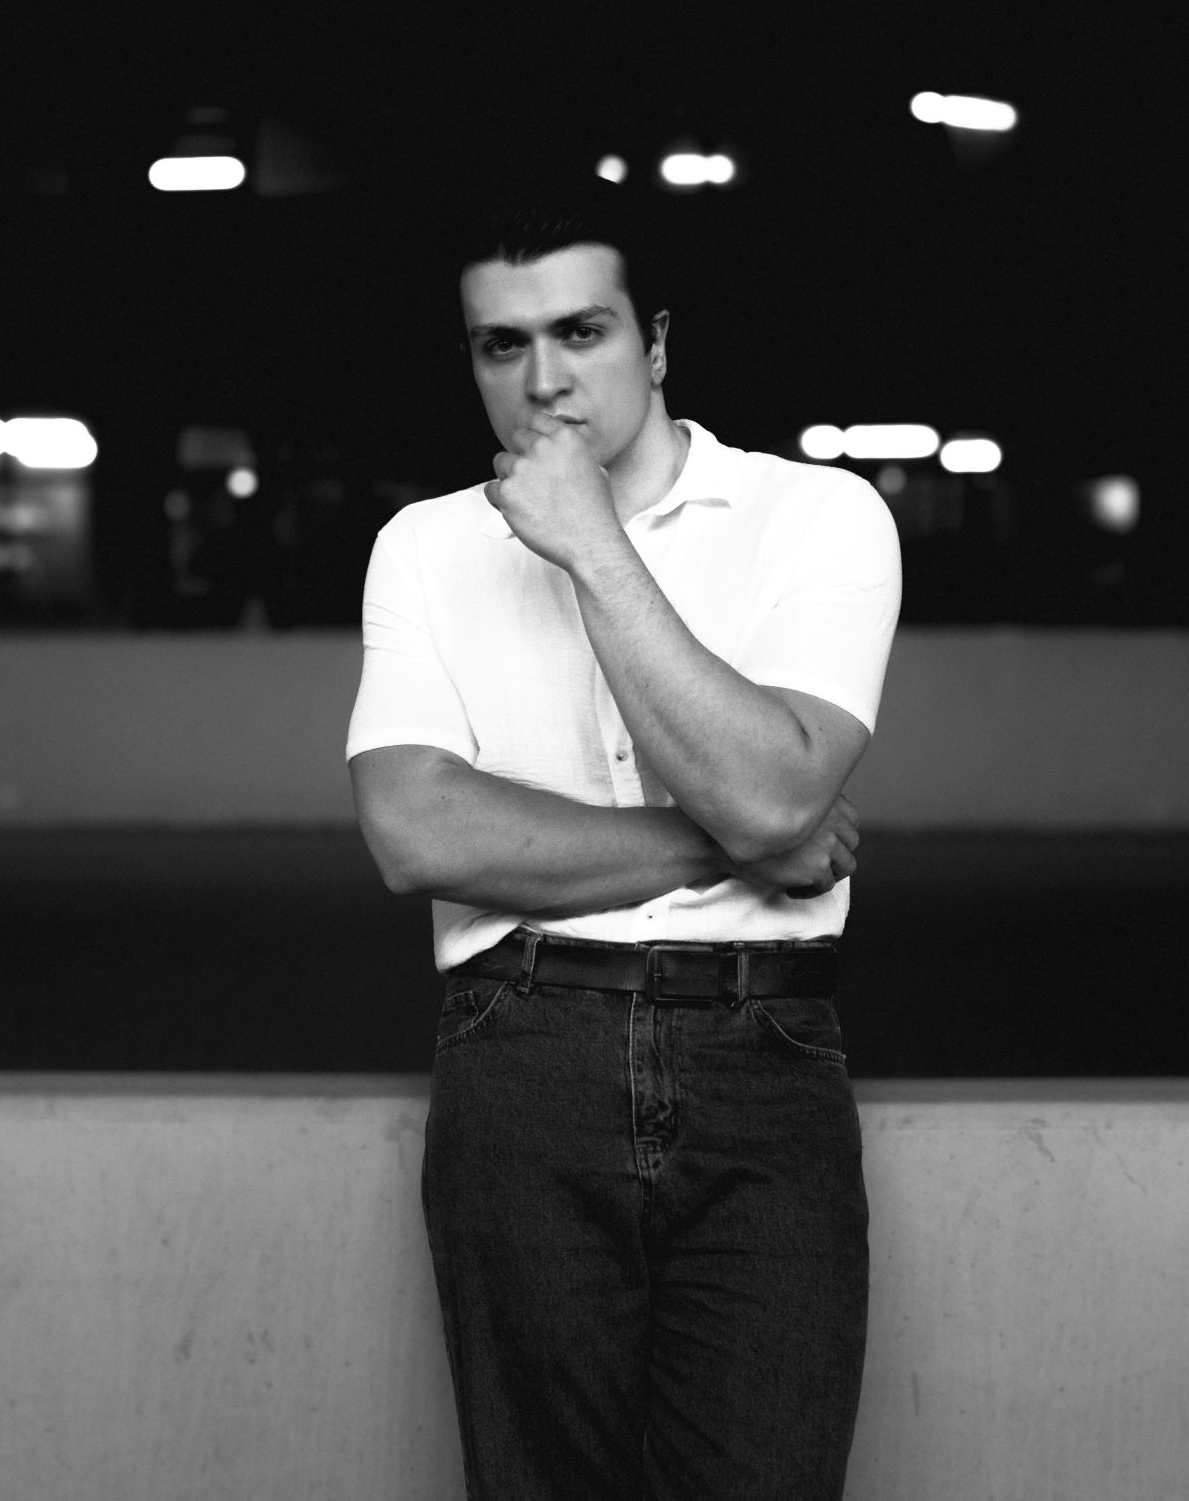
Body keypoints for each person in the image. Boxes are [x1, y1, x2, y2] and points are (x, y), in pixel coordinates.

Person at [344, 180, 903, 1499]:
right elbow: (415, 831)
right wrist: (720, 844)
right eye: (503, 345)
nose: (543, 381)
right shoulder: (424, 548)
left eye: (581, 335)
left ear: (655, 343)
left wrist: (593, 546)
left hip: (764, 1060)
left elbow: (772, 792)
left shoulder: (818, 518)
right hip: (518, 1047)